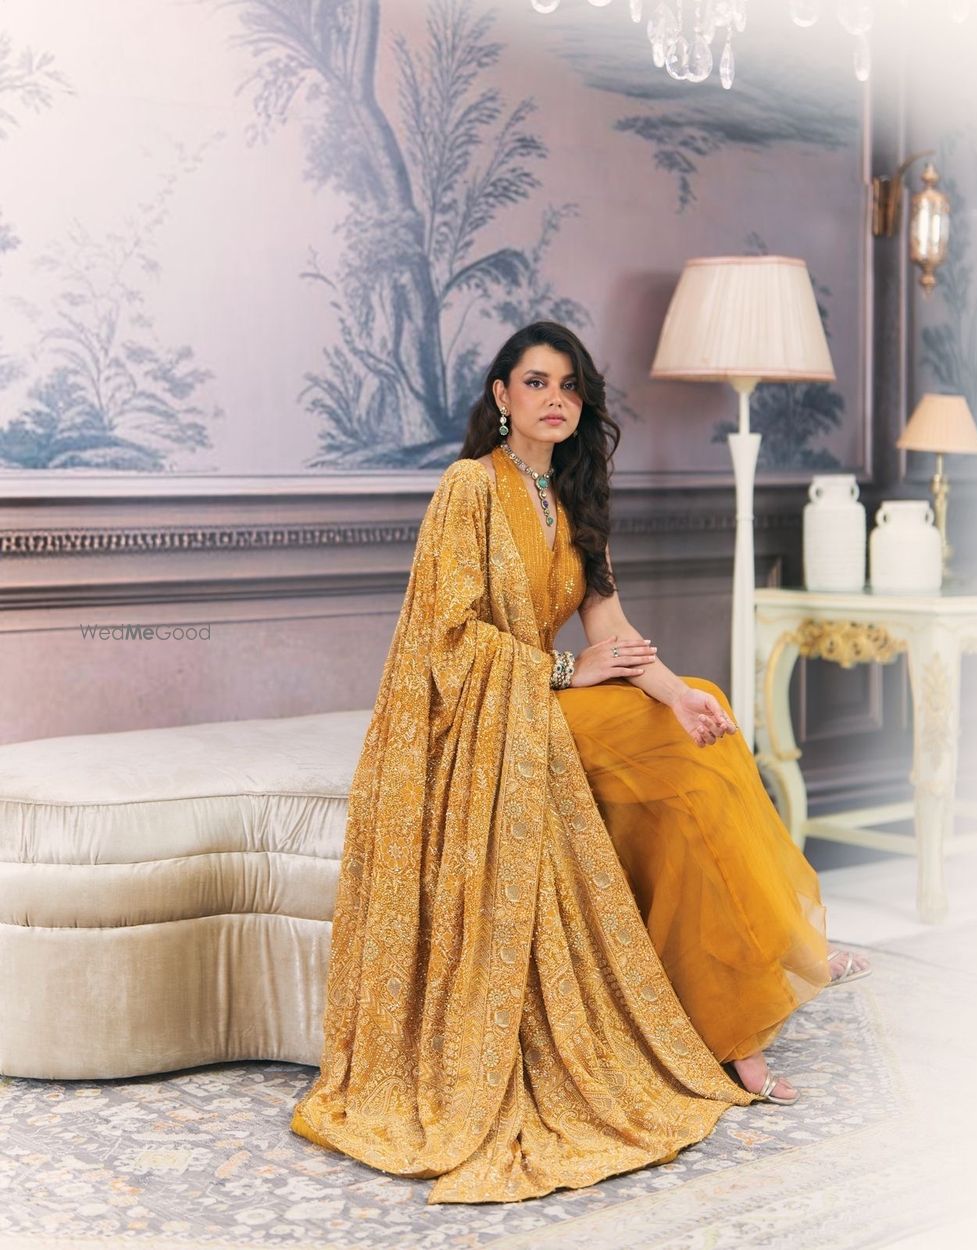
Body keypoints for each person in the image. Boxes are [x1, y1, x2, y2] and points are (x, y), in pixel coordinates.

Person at [290, 321, 870, 1204]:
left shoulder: (573, 495)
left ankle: (743, 1005)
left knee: (698, 729)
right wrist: (562, 671)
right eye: (536, 382)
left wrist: (672, 693)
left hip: (546, 700)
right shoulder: (468, 488)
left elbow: (610, 628)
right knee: (674, 779)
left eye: (568, 386)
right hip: (484, 718)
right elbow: (447, 640)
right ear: (502, 396)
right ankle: (749, 1012)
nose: (554, 399)